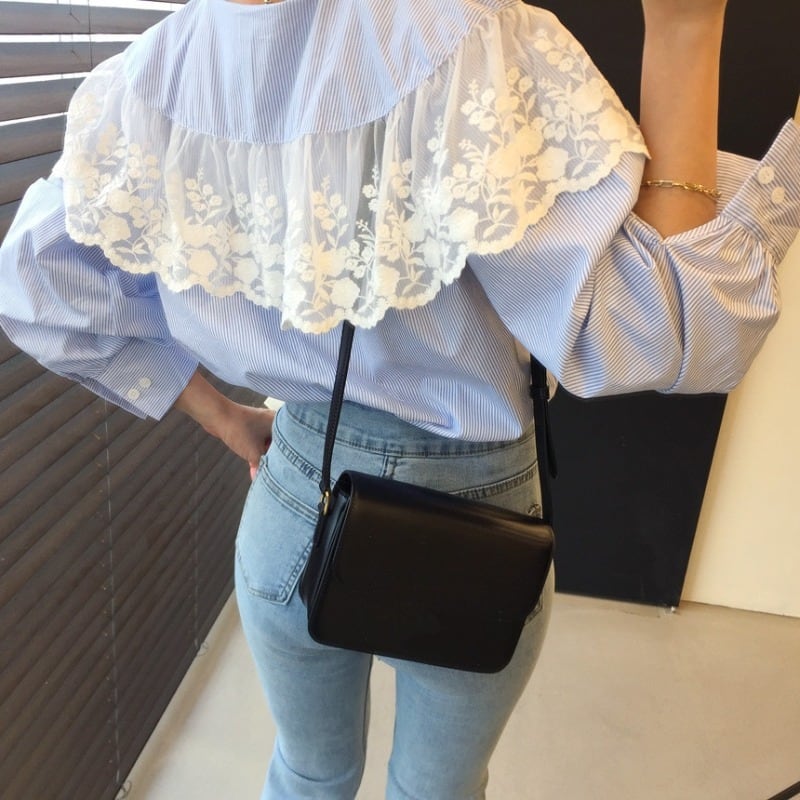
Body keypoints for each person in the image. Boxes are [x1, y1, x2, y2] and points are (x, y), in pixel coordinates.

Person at [0, 0, 797, 797]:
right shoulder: (472, 36)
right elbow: (665, 332)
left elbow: (37, 288)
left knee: (307, 774)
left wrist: (225, 418)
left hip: (296, 499)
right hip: (479, 513)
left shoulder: (149, 77)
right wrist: (686, 30)